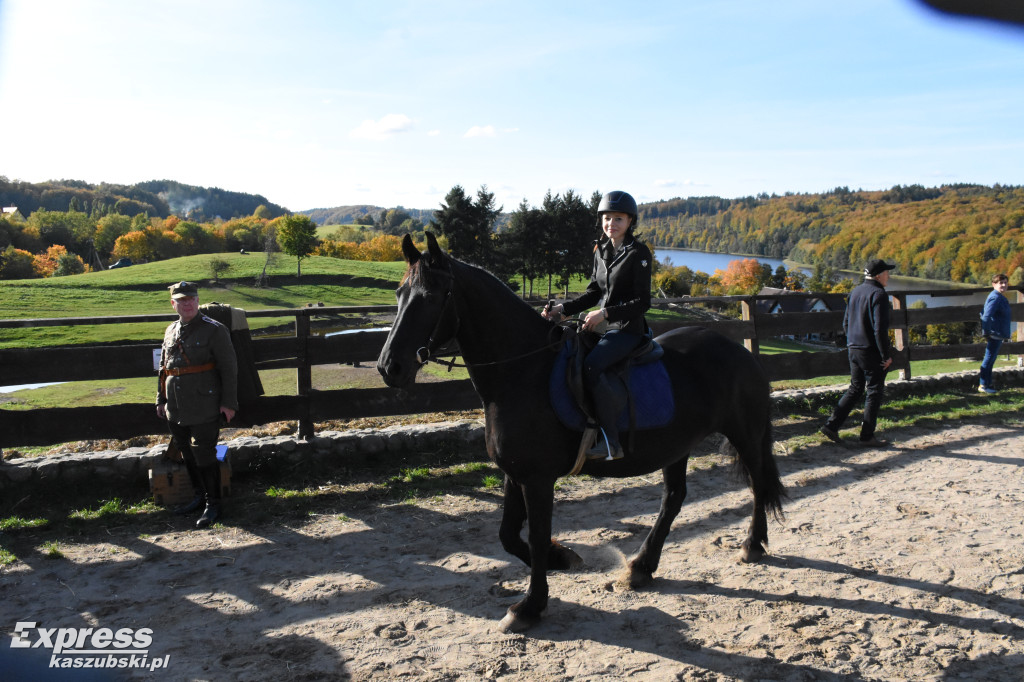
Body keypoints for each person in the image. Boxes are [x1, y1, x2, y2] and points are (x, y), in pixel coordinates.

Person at [542, 190, 652, 460]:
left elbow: (642, 301)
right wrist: (563, 309)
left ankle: (611, 442)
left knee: (592, 366)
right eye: (607, 218)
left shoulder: (638, 253)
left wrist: (605, 314)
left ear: (630, 222)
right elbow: (593, 293)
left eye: (618, 219)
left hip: (627, 329)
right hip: (600, 325)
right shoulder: (601, 250)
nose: (611, 224)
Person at [156, 281, 238, 529]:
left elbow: (229, 367)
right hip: (176, 406)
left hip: (205, 403)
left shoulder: (215, 330)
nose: (187, 303)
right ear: (174, 304)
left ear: (198, 300)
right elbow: (163, 368)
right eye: (181, 300)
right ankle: (198, 497)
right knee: (186, 453)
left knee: (204, 453)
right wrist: (161, 399)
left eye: (191, 299)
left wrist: (228, 403)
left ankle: (213, 504)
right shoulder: (170, 330)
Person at [820, 259, 895, 448]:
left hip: (854, 348)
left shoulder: (855, 292)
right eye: (886, 272)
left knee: (855, 387)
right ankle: (867, 436)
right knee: (874, 390)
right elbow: (880, 330)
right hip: (871, 350)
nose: (889, 276)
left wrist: (852, 342)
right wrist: (886, 355)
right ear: (878, 275)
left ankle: (831, 425)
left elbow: (846, 323)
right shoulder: (879, 295)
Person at [979, 272, 1012, 394]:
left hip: (997, 333)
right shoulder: (995, 297)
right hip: (994, 333)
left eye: (1005, 282)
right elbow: (986, 316)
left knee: (991, 359)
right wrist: (986, 332)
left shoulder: (999, 296)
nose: (1003, 285)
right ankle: (983, 385)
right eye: (1000, 283)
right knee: (988, 359)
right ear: (994, 284)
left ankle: (987, 384)